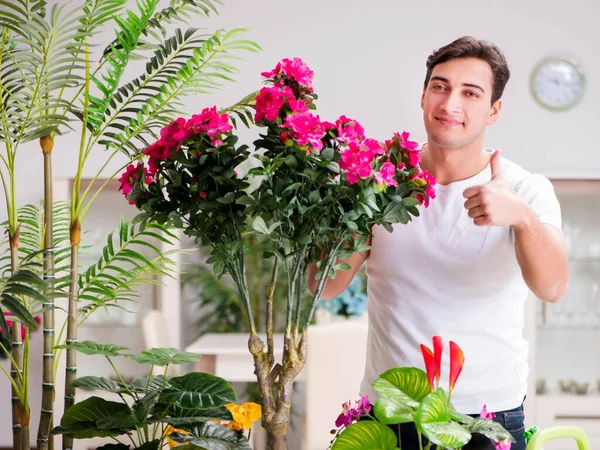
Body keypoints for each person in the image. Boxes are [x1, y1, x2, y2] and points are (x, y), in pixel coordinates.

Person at [307, 36, 569, 450]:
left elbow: (553, 288)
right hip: (389, 411)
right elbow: (322, 285)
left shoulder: (525, 189)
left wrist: (520, 217)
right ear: (424, 95)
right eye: (440, 87)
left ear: (494, 109)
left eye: (470, 93)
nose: (450, 104)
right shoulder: (381, 182)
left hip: (488, 416)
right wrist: (355, 202)